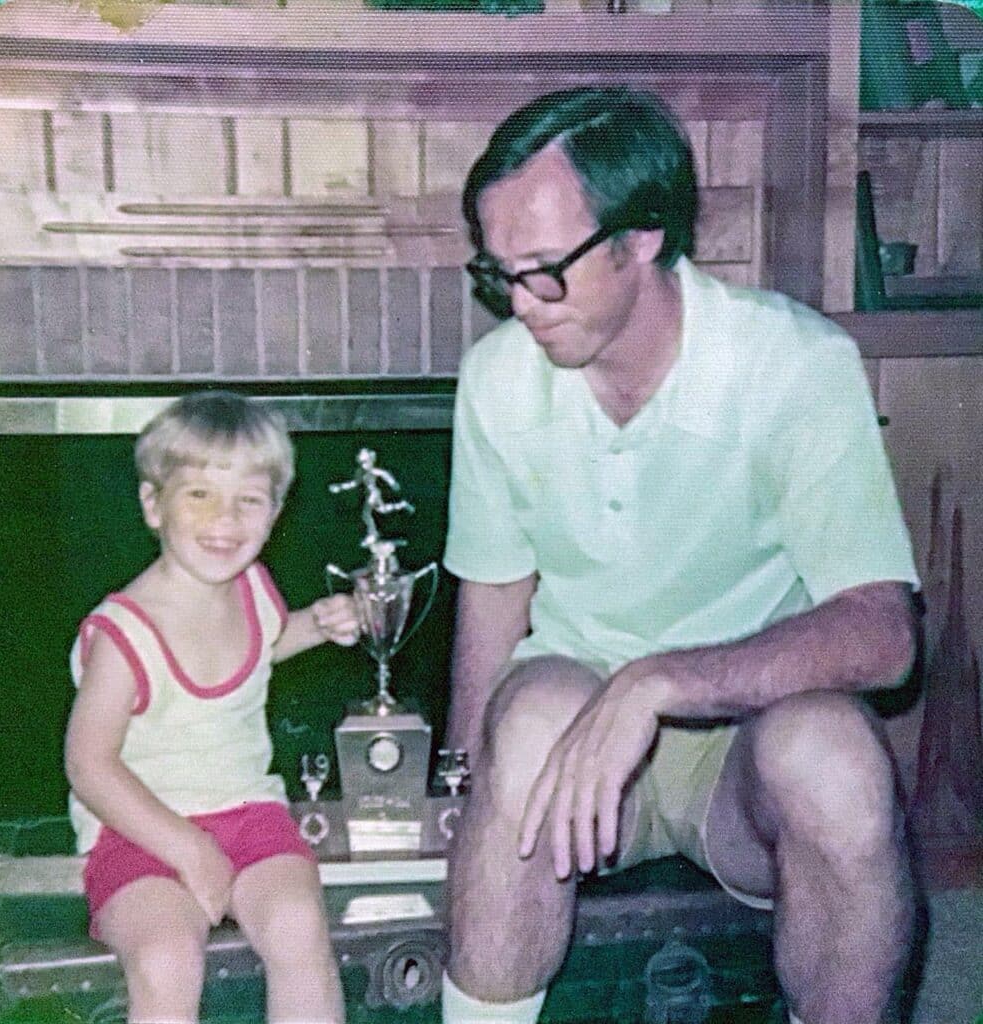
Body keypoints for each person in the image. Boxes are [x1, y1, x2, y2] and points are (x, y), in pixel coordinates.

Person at [441, 86, 921, 1024]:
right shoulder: (496, 380)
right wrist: (457, 800)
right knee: (535, 711)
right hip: (570, 733)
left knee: (835, 754)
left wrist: (660, 682)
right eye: (498, 274)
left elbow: (884, 633)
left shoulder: (794, 365)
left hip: (742, 758)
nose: (520, 305)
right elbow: (492, 608)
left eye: (545, 270)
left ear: (643, 236)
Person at [64, 390, 359, 1024]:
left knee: (299, 924)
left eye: (249, 500)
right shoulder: (125, 634)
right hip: (139, 831)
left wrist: (316, 624)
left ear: (275, 512)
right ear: (153, 504)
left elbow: (258, 648)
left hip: (249, 813)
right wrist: (188, 850)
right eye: (199, 495)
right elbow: (89, 766)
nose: (224, 519)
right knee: (168, 955)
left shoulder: (252, 587)